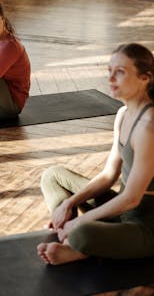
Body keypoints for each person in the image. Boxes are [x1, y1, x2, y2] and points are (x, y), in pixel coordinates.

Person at [37, 43, 154, 265]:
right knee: (52, 176)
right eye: (109, 71)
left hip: (146, 226)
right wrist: (68, 204)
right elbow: (109, 175)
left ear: (144, 78)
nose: (110, 79)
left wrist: (79, 225)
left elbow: (132, 197)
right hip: (122, 210)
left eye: (120, 72)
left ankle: (77, 244)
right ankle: (68, 227)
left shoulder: (149, 126)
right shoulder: (123, 114)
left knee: (84, 233)